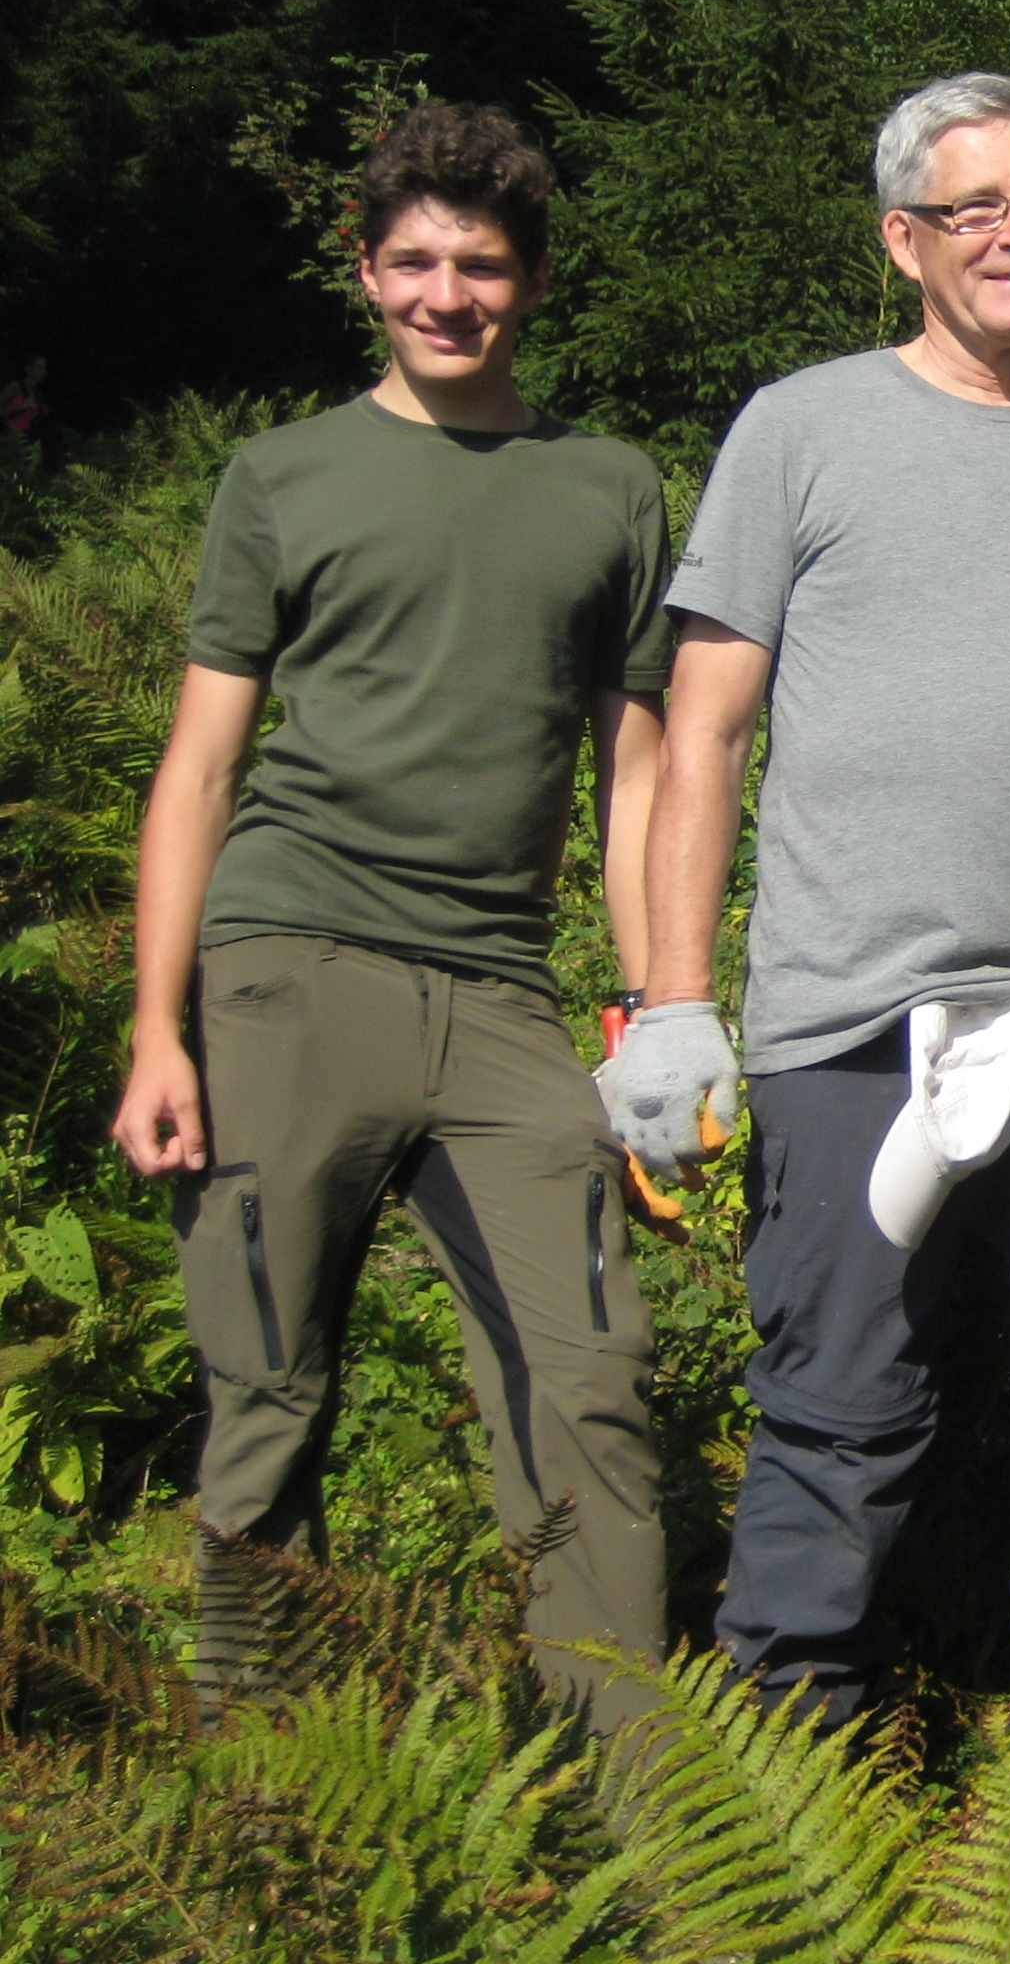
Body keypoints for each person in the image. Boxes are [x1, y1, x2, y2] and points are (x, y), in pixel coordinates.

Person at [616, 72, 1010, 1738]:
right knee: (843, 1390)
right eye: (977, 209)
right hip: (854, 1009)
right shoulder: (802, 430)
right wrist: (674, 1000)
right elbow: (703, 730)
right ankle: (795, 1741)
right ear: (904, 240)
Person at [110, 102, 670, 1725]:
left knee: (593, 1379)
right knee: (269, 1389)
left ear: (534, 280)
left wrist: (649, 1006)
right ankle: (266, 1794)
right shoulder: (283, 475)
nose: (447, 294)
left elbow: (633, 778)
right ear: (365, 271)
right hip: (288, 972)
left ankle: (641, 1815)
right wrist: (161, 1026)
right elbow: (200, 766)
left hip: (500, 997)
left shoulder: (609, 487)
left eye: (481, 264)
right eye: (415, 260)